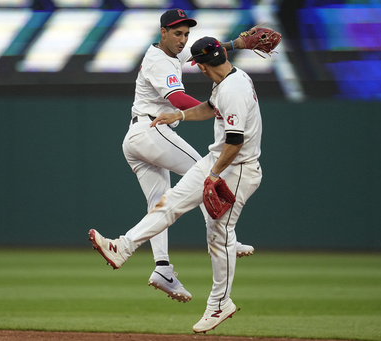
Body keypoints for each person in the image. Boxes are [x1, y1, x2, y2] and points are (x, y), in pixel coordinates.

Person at [90, 36, 263, 333]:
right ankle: (123, 247)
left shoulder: (233, 89)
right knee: (168, 202)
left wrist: (213, 175)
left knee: (217, 234)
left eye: (199, 66)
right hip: (218, 160)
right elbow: (210, 107)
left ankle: (220, 302)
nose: (199, 70)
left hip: (236, 169)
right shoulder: (230, 79)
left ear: (207, 65)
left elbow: (236, 142)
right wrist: (180, 114)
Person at [121, 8, 254, 303]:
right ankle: (225, 239)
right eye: (177, 33)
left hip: (138, 138)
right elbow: (178, 99)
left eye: (186, 34)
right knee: (204, 174)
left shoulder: (169, 53)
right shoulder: (159, 62)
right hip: (150, 131)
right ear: (163, 33)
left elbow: (198, 54)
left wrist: (235, 45)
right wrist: (219, 107)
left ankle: (163, 268)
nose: (183, 40)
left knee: (159, 203)